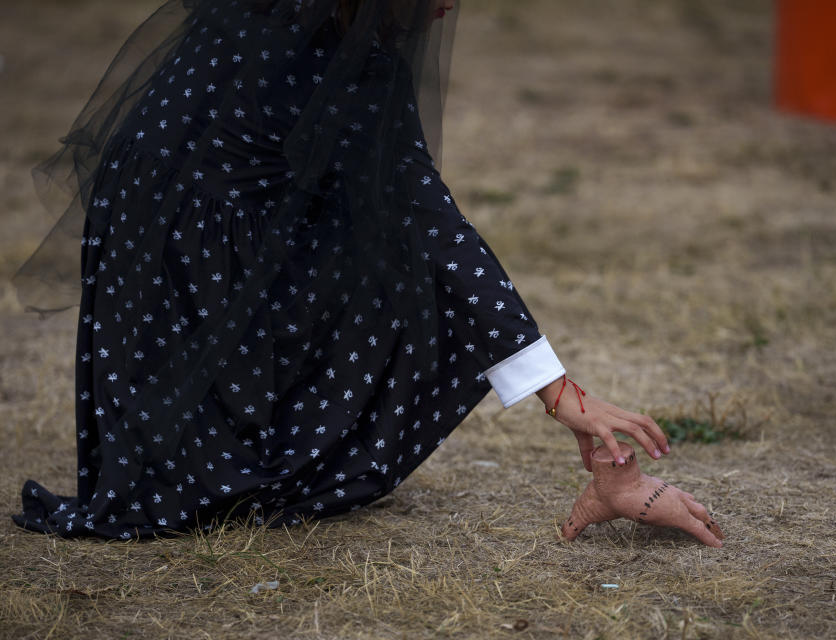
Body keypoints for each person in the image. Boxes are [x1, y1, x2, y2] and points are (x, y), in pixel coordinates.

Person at [11, 0, 721, 546]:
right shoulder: (337, 51)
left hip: (187, 205)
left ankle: (244, 442)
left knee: (386, 256)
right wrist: (558, 391)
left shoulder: (318, 19)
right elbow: (429, 220)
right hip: (175, 227)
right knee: (206, 486)